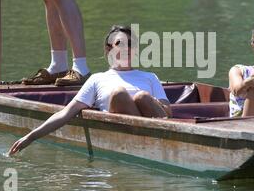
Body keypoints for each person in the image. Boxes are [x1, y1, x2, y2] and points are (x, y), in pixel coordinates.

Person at [9, 25, 172, 155]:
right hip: (123, 135)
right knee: (119, 94)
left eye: (130, 44)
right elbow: (66, 113)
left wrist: (148, 102)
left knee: (142, 96)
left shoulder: (150, 77)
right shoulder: (97, 79)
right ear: (109, 50)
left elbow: (167, 112)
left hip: (157, 130)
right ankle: (143, 143)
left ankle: (162, 144)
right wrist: (31, 137)